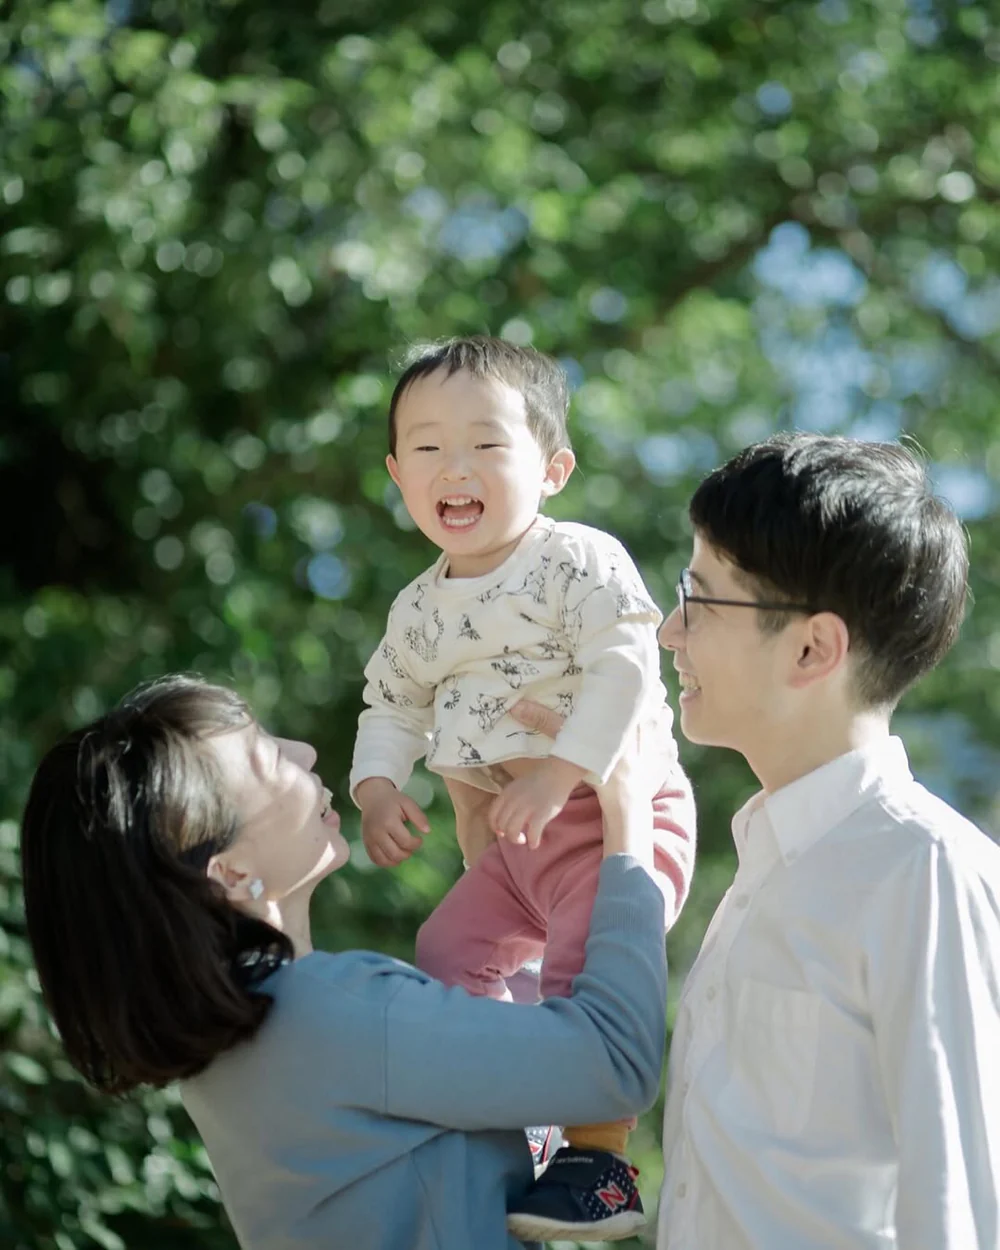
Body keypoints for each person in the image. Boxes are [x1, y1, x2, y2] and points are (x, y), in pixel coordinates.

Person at [19, 674, 671, 1250]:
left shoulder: (234, 1056)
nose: (303, 753)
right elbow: (616, 1062)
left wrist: (516, 888)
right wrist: (626, 814)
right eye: (266, 758)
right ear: (229, 871)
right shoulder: (329, 1011)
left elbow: (502, 1132)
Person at [350, 336, 696, 1242]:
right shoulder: (419, 608)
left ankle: (602, 1162)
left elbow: (625, 669)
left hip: (613, 810)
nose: (454, 467)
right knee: (447, 947)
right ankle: (512, 1106)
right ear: (396, 473)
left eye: (486, 445)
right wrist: (378, 789)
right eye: (427, 448)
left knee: (587, 967)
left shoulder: (576, 559)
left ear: (552, 468)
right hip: (512, 833)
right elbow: (391, 701)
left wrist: (561, 768)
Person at [655, 433, 1000, 1250]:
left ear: (814, 648)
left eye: (699, 600)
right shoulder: (766, 863)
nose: (671, 631)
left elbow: (968, 1208)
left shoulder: (925, 871)